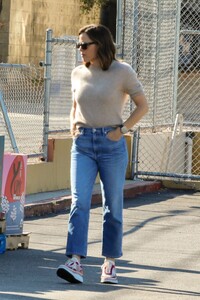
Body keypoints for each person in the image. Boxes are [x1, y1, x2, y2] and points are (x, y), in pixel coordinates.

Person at [57, 24, 148, 284]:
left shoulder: (122, 71)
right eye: (78, 45)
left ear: (100, 44)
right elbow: (74, 106)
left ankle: (109, 263)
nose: (80, 50)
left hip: (111, 145)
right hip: (82, 145)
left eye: (85, 45)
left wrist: (123, 130)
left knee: (113, 207)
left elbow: (143, 105)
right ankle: (75, 261)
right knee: (79, 202)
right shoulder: (78, 73)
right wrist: (72, 125)